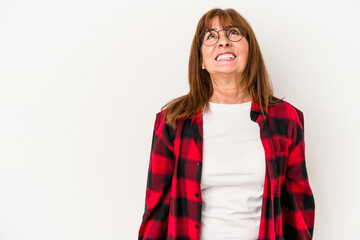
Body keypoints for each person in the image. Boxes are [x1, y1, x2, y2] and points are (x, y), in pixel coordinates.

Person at [138, 7, 315, 240]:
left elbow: (298, 207)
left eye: (233, 33)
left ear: (249, 50)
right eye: (211, 37)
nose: (223, 42)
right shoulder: (172, 121)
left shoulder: (286, 119)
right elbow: (156, 209)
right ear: (201, 60)